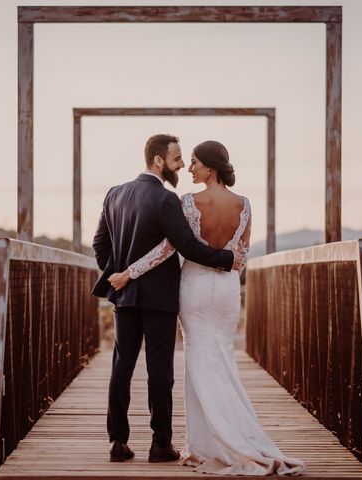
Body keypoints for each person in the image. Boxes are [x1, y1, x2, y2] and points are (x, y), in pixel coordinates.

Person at [108, 140, 306, 475]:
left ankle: (204, 443)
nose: (188, 167)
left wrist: (129, 272)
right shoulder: (244, 205)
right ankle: (231, 433)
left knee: (198, 360)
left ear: (210, 169)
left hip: (196, 288)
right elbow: (241, 258)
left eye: (195, 162)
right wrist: (225, 264)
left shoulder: (188, 202)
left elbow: (169, 249)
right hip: (227, 289)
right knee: (222, 359)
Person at [91, 134, 243, 463]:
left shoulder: (114, 194)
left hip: (124, 295)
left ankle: (117, 441)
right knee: (160, 370)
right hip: (160, 298)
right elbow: (186, 246)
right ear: (159, 161)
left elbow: (100, 246)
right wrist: (226, 261)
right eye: (176, 159)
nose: (180, 165)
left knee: (122, 365)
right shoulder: (167, 199)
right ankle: (161, 444)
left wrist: (119, 276)